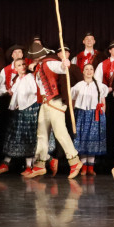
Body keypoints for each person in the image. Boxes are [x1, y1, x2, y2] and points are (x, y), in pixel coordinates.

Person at [27, 45, 83, 179]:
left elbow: (61, 68)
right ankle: (40, 164)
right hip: (45, 103)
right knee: (41, 133)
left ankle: (74, 160)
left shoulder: (49, 62)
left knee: (60, 132)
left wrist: (65, 65)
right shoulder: (39, 66)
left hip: (55, 101)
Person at [0, 54, 39, 174]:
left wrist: (25, 103)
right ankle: (6, 163)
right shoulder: (16, 79)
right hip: (19, 111)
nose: (22, 67)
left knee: (28, 136)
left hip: (29, 110)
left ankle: (29, 166)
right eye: (19, 65)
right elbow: (15, 94)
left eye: (23, 65)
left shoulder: (30, 77)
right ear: (15, 68)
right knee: (14, 136)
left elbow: (34, 92)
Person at [71, 63, 108, 174]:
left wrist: (103, 116)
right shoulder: (78, 86)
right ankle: (83, 166)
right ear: (83, 71)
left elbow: (103, 101)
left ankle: (90, 167)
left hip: (94, 114)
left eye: (91, 69)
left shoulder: (100, 86)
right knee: (82, 139)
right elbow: (72, 100)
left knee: (93, 139)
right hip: (81, 114)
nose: (89, 71)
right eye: (86, 69)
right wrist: (73, 114)